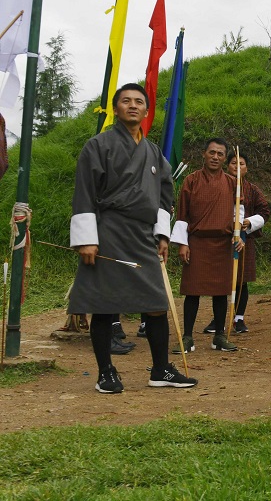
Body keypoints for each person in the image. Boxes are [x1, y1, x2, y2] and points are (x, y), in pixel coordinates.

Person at [67, 83, 196, 392]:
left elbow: (166, 192)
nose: (133, 105)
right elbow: (84, 191)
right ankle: (106, 373)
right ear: (116, 108)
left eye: (139, 101)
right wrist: (86, 237)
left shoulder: (152, 151)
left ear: (147, 111)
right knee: (104, 303)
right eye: (126, 101)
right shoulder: (97, 145)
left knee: (155, 303)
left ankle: (161, 369)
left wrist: (162, 233)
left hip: (143, 235)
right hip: (108, 230)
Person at [170, 138, 242, 353]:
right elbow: (182, 215)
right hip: (197, 242)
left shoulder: (232, 183)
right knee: (193, 292)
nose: (215, 157)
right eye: (212, 152)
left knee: (221, 292)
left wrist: (238, 234)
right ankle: (187, 337)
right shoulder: (191, 181)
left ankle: (219, 336)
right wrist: (183, 244)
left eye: (220, 154)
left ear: (224, 158)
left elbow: (239, 210)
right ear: (204, 153)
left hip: (223, 243)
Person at [201, 151, 269, 335]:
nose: (237, 167)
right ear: (226, 165)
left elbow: (264, 211)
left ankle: (238, 318)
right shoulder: (217, 185)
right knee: (221, 280)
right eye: (233, 163)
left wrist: (249, 222)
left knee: (241, 280)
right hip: (220, 239)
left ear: (246, 168)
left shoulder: (252, 190)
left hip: (244, 239)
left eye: (241, 164)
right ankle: (219, 319)